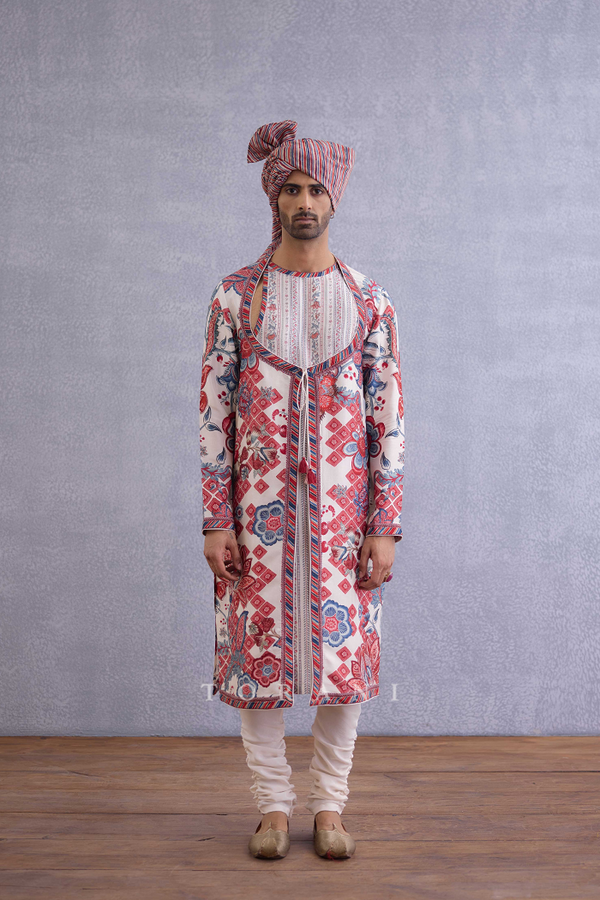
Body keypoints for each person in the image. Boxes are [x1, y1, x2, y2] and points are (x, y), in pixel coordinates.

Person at [200, 120, 405, 859]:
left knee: (341, 664)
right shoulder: (235, 298)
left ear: (334, 199)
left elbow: (389, 419)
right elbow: (214, 415)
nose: (305, 202)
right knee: (258, 660)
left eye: (316, 189)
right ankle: (271, 808)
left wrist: (383, 523)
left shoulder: (369, 300)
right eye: (291, 188)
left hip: (346, 521)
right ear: (274, 198)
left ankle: (329, 806)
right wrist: (215, 519)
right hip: (254, 518)